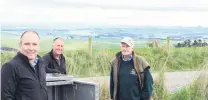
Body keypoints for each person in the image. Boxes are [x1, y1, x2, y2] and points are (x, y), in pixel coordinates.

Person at [1, 30, 48, 100]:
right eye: (27, 44)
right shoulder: (10, 67)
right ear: (20, 45)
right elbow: (5, 97)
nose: (31, 48)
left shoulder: (40, 63)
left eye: (34, 44)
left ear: (38, 46)